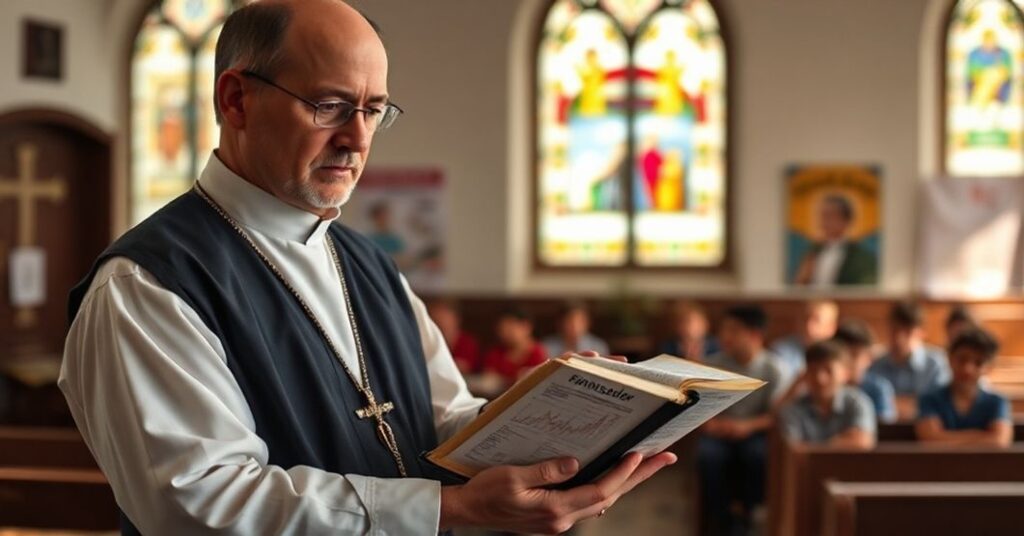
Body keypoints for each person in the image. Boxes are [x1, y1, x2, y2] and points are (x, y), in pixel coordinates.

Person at [58, 2, 675, 534]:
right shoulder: (148, 285)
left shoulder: (370, 265)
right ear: (235, 99)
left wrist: (553, 412)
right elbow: (199, 506)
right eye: (329, 106)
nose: (357, 138)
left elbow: (442, 420)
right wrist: (448, 508)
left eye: (374, 109)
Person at [697, 305, 782, 536]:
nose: (724, 337)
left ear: (755, 335)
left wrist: (747, 426)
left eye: (733, 331)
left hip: (755, 432)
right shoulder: (711, 364)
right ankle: (723, 518)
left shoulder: (775, 368)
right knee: (709, 456)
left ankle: (750, 513)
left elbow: (777, 415)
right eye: (723, 330)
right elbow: (696, 404)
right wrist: (710, 423)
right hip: (718, 431)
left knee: (757, 456)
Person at [915, 328, 1013, 448]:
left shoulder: (997, 401)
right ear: (950, 359)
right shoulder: (930, 398)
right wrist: (983, 436)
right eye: (962, 359)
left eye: (978, 363)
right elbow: (930, 439)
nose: (967, 369)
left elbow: (999, 441)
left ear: (989, 367)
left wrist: (945, 438)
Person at [779, 341, 876, 448]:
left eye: (828, 370)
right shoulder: (792, 410)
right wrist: (842, 441)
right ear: (805, 375)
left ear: (845, 373)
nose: (820, 379)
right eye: (813, 371)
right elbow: (792, 452)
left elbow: (862, 442)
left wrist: (811, 449)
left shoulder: (858, 403)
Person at [868, 301, 949, 419]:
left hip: (926, 432)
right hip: (886, 433)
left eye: (907, 332)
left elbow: (940, 406)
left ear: (922, 333)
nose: (899, 339)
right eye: (894, 330)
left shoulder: (936, 363)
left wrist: (889, 404)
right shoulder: (876, 364)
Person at [793, 194, 877, 286]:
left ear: (846, 220)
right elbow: (798, 285)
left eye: (830, 216)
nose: (825, 222)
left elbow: (865, 286)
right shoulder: (812, 251)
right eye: (822, 216)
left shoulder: (860, 256)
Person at [831, 320, 897, 423]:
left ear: (869, 359)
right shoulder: (824, 388)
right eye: (843, 356)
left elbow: (886, 430)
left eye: (854, 356)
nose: (847, 362)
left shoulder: (879, 389)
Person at [770, 299, 839, 391]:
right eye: (805, 318)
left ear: (831, 327)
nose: (808, 326)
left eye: (816, 320)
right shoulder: (780, 351)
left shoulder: (840, 355)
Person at [482, 308, 548, 391]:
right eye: (502, 328)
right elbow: (488, 379)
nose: (505, 333)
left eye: (510, 327)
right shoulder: (495, 352)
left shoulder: (539, 353)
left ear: (526, 326)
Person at [427, 298, 482, 374]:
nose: (440, 320)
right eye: (435, 318)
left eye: (444, 316)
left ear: (455, 318)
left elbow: (463, 368)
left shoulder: (467, 342)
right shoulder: (430, 340)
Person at [542, 301, 610, 358]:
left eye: (580, 321)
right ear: (560, 322)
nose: (575, 326)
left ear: (588, 322)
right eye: (570, 321)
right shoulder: (547, 346)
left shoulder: (598, 346)